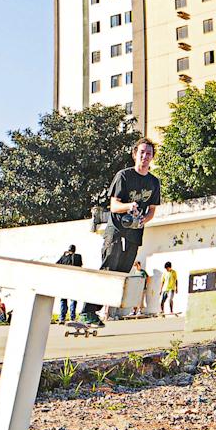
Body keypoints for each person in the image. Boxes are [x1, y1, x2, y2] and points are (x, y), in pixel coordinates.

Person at [84, 138, 161, 327]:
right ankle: (87, 310)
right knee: (109, 267)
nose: (145, 157)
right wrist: (130, 205)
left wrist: (145, 219)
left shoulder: (154, 182)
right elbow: (114, 206)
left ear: (152, 158)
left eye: (148, 154)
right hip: (116, 229)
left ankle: (97, 311)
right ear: (135, 154)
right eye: (141, 152)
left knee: (122, 273)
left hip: (135, 232)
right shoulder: (123, 176)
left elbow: (152, 210)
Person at [56, 244, 83, 323]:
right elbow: (80, 266)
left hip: (64, 281)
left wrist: (64, 255)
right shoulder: (78, 257)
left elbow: (57, 264)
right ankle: (72, 317)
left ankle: (62, 317)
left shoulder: (64, 257)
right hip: (74, 281)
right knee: (73, 300)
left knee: (63, 300)